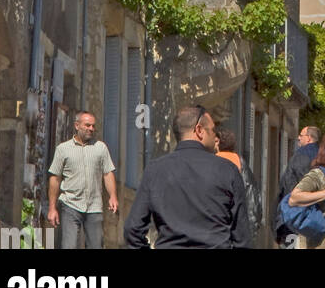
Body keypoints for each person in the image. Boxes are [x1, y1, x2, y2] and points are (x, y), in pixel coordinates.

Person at [124, 103, 250, 249]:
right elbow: (242, 237)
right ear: (199, 130)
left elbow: (132, 230)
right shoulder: (227, 170)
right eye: (213, 130)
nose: (216, 137)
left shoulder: (155, 170)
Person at [47, 110, 119, 250]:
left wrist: (113, 196)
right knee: (69, 245)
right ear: (77, 125)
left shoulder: (101, 148)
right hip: (70, 205)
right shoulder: (63, 149)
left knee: (96, 246)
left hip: (94, 206)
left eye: (93, 126)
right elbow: (55, 178)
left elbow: (107, 173)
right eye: (87, 125)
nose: (91, 129)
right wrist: (52, 208)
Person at [215, 124, 263, 244]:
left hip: (222, 233)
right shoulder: (242, 163)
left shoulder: (217, 163)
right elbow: (255, 201)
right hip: (244, 231)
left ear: (217, 142)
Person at [279, 124, 321, 196]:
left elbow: (294, 179)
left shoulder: (302, 154)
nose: (299, 138)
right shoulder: (322, 154)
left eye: (301, 135)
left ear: (308, 138)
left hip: (298, 200)